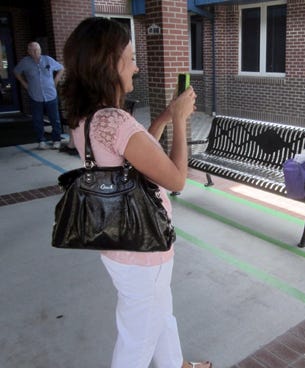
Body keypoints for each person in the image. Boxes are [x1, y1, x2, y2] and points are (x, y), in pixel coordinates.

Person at [61, 17, 211, 368]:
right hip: (145, 251)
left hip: (117, 243)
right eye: (129, 58)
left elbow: (136, 156)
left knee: (161, 314)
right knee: (137, 340)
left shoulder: (87, 118)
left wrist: (162, 117)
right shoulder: (115, 120)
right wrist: (179, 120)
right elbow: (175, 179)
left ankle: (177, 366)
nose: (137, 66)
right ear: (108, 65)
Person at [14, 41, 64, 150]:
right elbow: (16, 71)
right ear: (28, 51)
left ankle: (56, 139)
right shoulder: (25, 62)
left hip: (51, 94)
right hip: (35, 95)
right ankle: (41, 140)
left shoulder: (48, 59)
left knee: (55, 119)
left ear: (40, 50)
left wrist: (55, 81)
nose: (35, 51)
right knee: (37, 119)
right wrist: (25, 84)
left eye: (37, 49)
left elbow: (61, 68)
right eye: (32, 50)